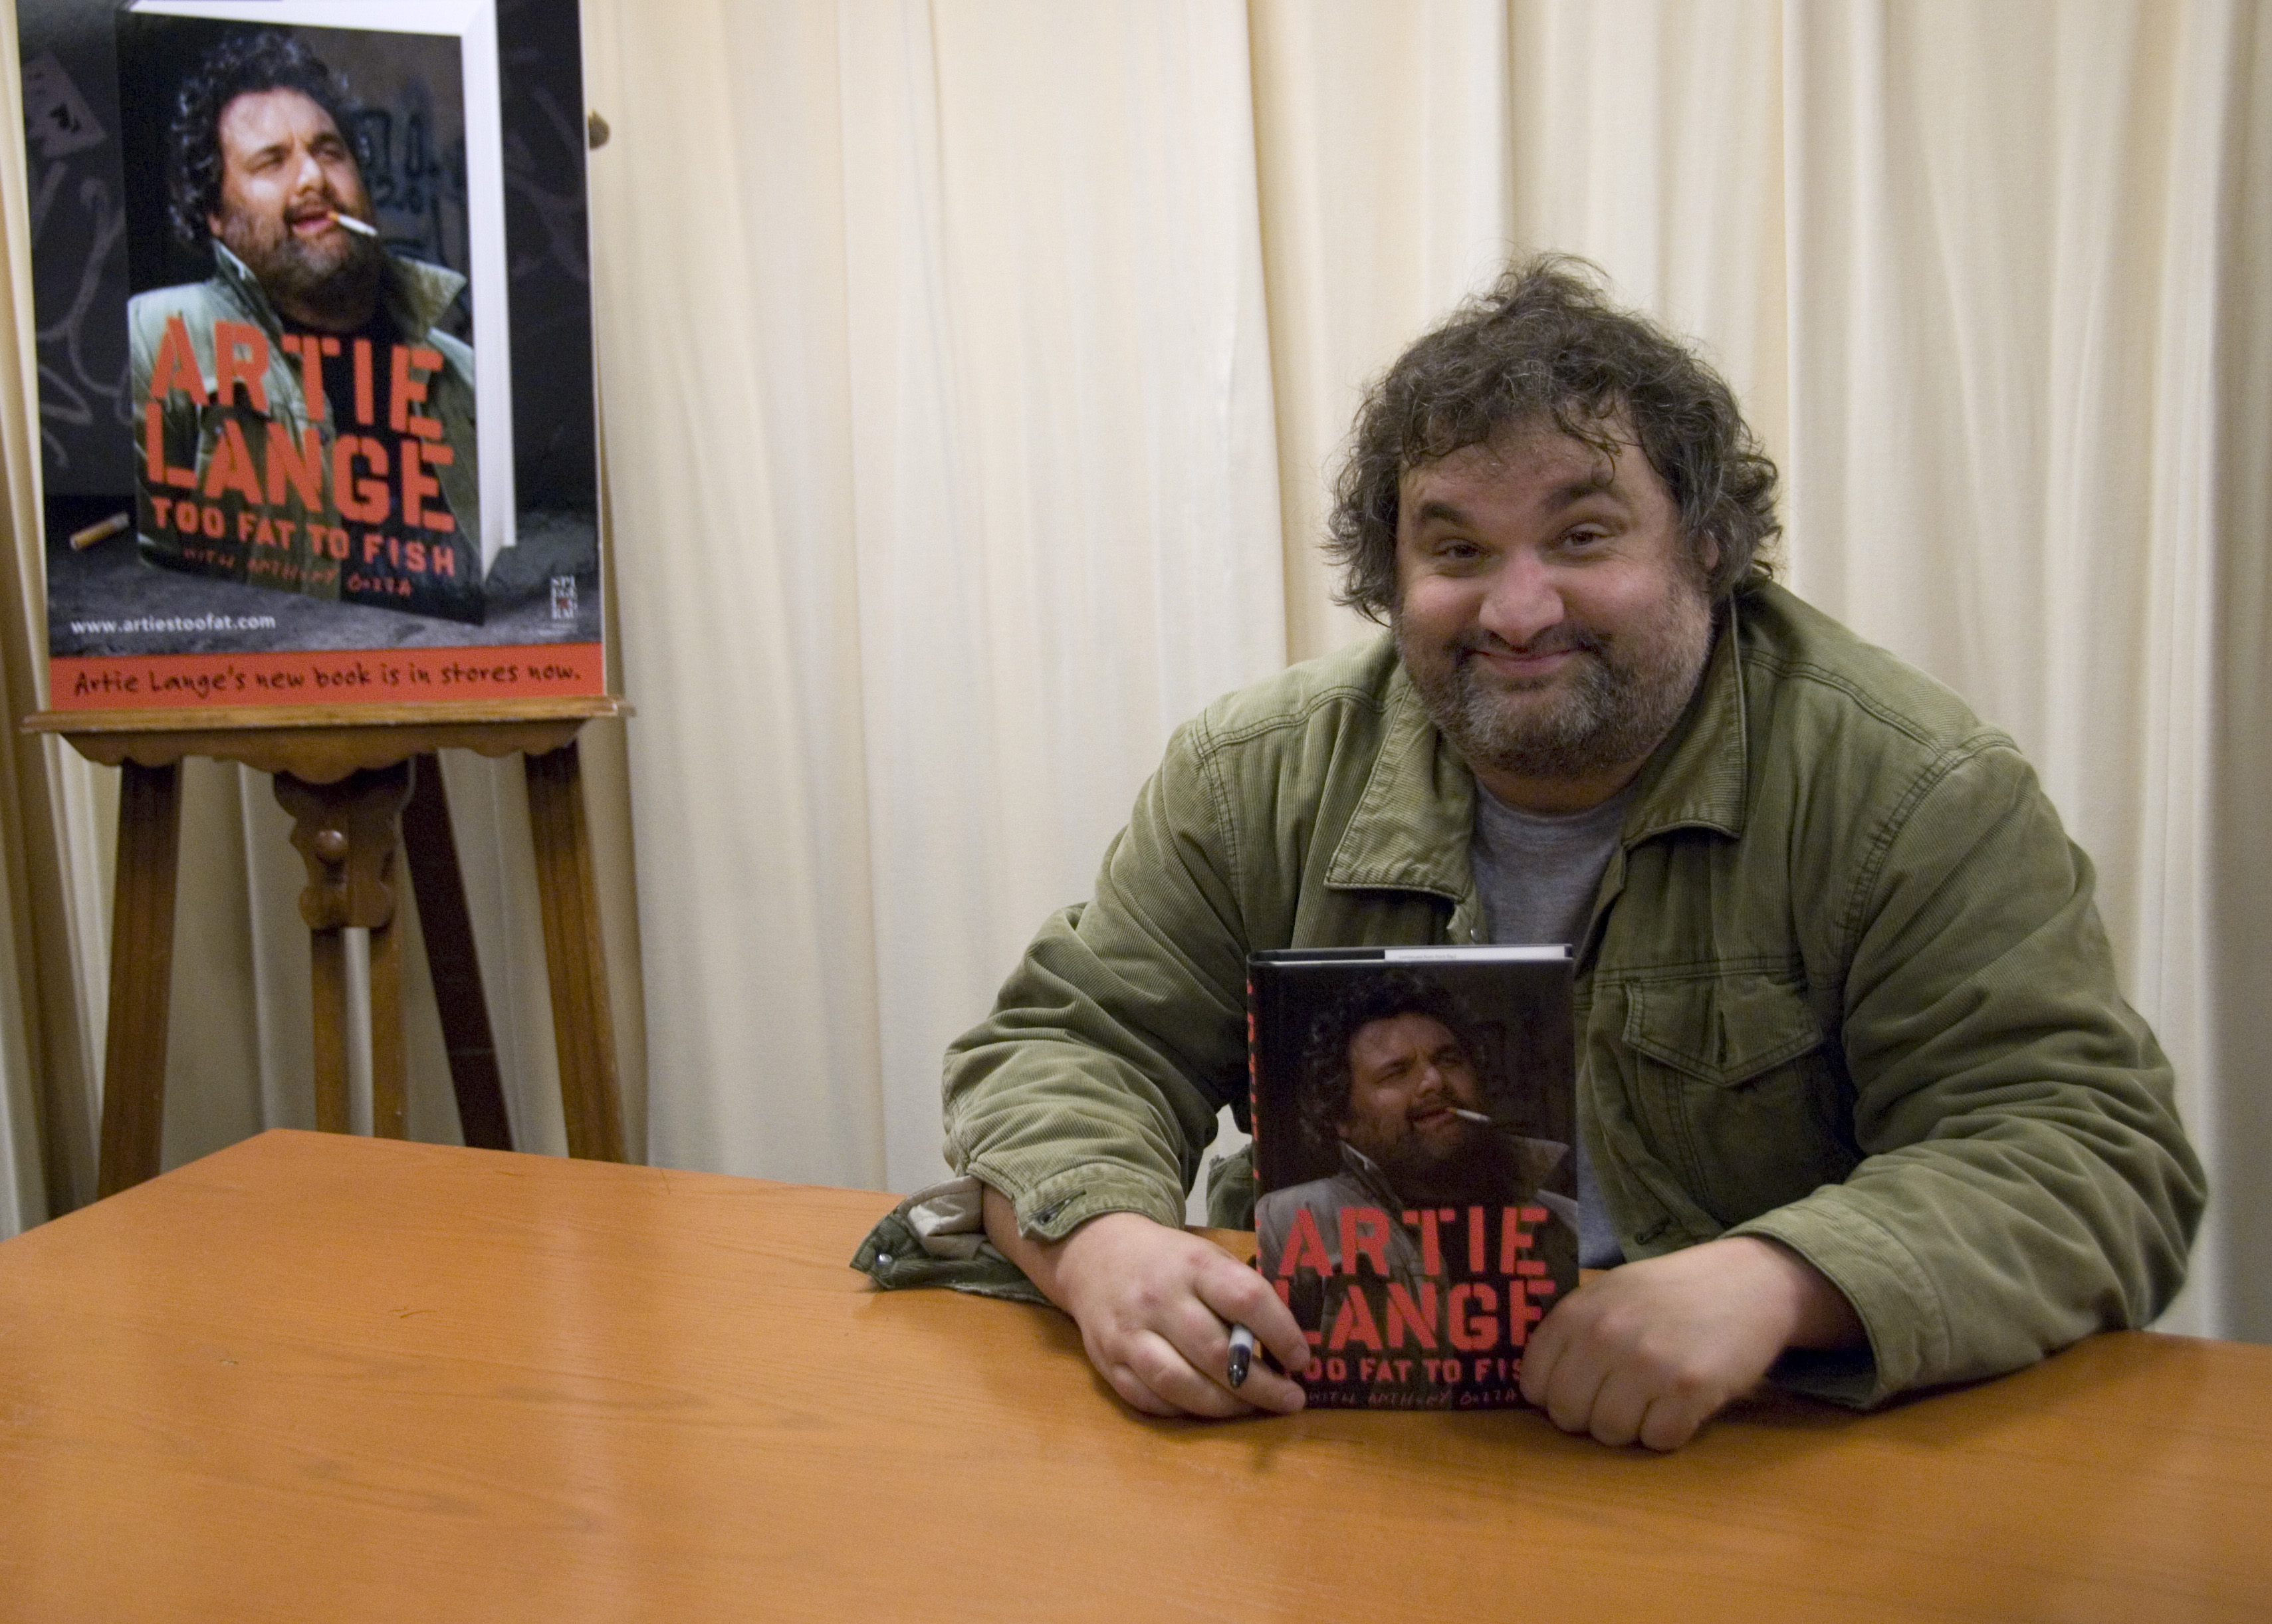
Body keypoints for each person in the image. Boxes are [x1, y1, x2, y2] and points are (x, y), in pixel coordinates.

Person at [933, 255, 2205, 1450]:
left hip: (1753, 1459)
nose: (1516, 607)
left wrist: (1783, 1278)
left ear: (1706, 545)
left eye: (1582, 536)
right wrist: (1099, 1238)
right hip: (1334, 1441)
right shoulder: (1249, 774)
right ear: (1391, 576)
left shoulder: (1910, 790)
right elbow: (1074, 1045)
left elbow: (2083, 1147)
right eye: (1456, 550)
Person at [128, 29, 479, 616]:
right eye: (272, 161)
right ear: (214, 213)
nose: (314, 178)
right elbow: (139, 601)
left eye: (330, 151)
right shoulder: (158, 337)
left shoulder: (461, 371)